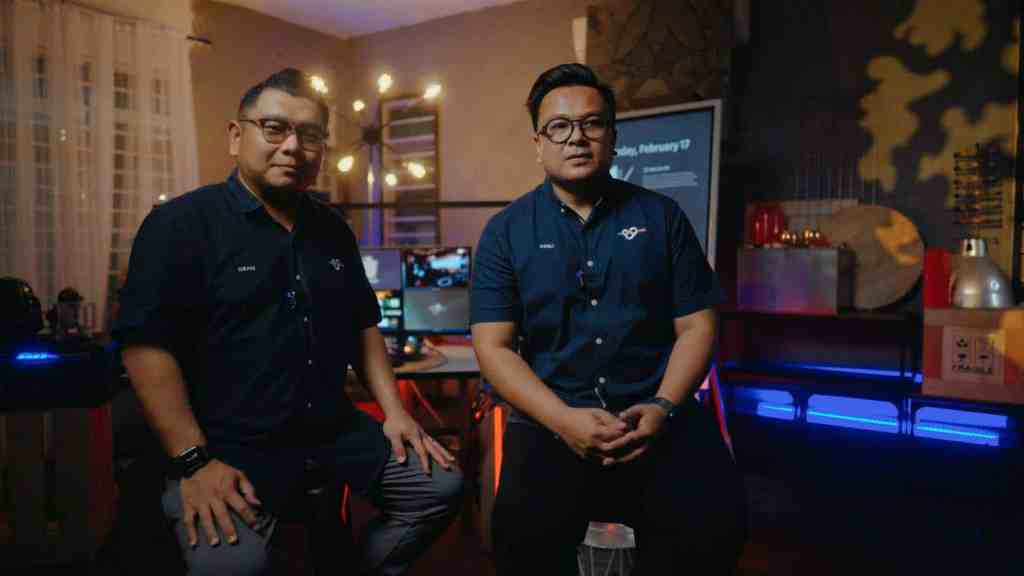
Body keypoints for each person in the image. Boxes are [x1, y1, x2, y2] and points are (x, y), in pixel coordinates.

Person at [114, 68, 462, 576]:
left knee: (441, 485)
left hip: (331, 430)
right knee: (236, 566)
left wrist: (395, 413)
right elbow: (145, 347)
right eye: (275, 128)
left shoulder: (332, 229)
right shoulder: (180, 225)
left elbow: (363, 324)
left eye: (311, 135)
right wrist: (194, 462)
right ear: (236, 136)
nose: (293, 146)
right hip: (226, 442)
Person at [470, 63, 747, 575]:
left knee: (716, 529)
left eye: (592, 123)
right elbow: (494, 347)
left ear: (613, 137)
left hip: (657, 414)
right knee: (518, 545)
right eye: (559, 126)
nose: (576, 138)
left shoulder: (663, 217)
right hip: (552, 419)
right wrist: (563, 420)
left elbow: (698, 326)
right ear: (538, 143)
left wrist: (662, 406)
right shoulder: (504, 232)